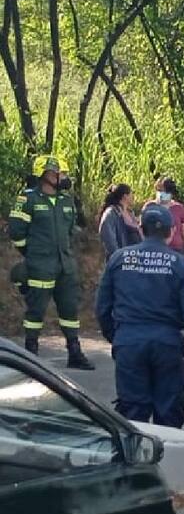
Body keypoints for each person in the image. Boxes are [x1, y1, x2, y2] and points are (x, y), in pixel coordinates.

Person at [95, 205, 184, 428]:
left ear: (140, 228)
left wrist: (118, 337)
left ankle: (135, 461)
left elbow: (102, 307)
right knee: (169, 415)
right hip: (166, 345)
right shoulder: (179, 264)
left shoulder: (119, 259)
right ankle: (165, 459)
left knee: (132, 415)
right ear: (172, 232)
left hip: (129, 343)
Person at [8, 154, 93, 369]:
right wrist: (34, 254)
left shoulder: (66, 201)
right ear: (44, 174)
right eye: (59, 173)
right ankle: (31, 354)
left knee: (69, 310)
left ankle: (74, 352)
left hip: (65, 265)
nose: (62, 177)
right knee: (36, 311)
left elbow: (70, 230)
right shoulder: (28, 200)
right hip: (40, 265)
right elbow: (17, 232)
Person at [153, 176, 184, 271]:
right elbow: (141, 230)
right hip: (156, 251)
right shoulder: (150, 206)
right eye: (158, 190)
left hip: (176, 250)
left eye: (163, 191)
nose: (160, 194)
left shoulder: (179, 208)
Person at [98, 183, 142, 261]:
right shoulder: (111, 213)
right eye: (131, 194)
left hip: (134, 261)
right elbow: (108, 237)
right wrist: (118, 257)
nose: (133, 197)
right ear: (125, 196)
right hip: (120, 261)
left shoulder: (130, 213)